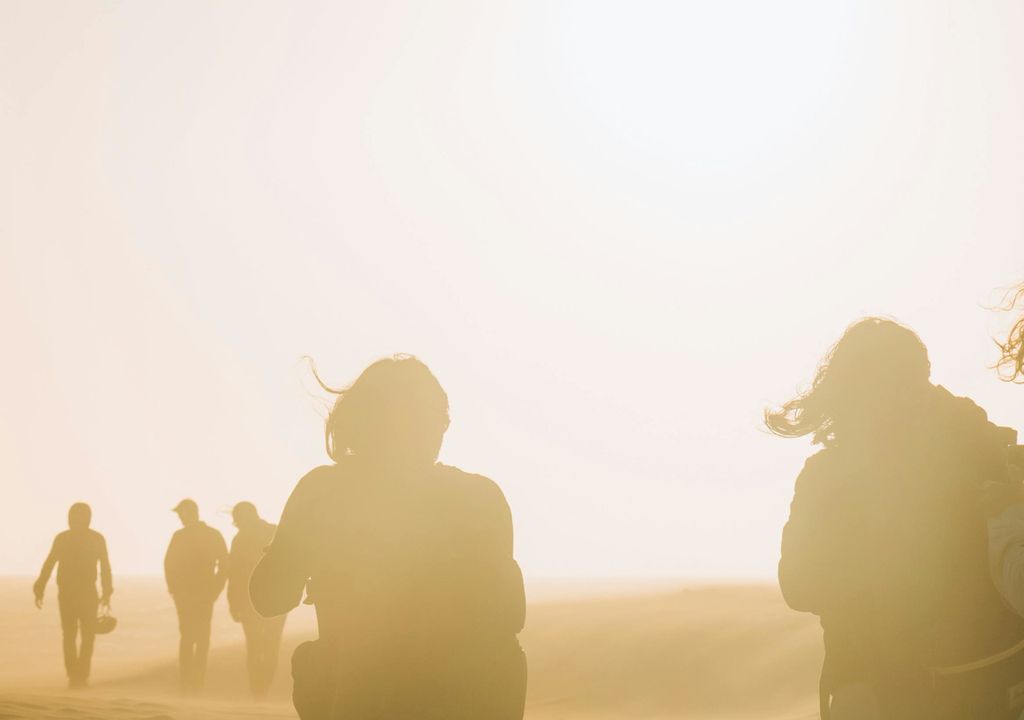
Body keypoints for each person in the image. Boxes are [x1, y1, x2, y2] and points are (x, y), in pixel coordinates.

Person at [768, 317, 1024, 720]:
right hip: (886, 687)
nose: (912, 395)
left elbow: (800, 585)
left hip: (969, 685)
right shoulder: (830, 477)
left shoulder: (973, 451)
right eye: (897, 382)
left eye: (917, 379)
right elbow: (799, 586)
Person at [249, 355, 527, 720]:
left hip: (359, 697)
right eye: (436, 420)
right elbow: (510, 615)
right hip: (459, 699)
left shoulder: (323, 492)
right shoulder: (480, 496)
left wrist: (295, 546)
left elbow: (269, 597)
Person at [33, 502, 113, 689]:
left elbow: (105, 566)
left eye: (79, 517)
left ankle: (79, 676)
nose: (76, 521)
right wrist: (40, 586)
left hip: (84, 594)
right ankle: (76, 676)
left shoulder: (92, 538)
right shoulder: (67, 538)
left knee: (83, 635)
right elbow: (50, 562)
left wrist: (107, 591)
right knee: (73, 635)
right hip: (72, 594)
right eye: (74, 517)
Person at [164, 498, 228, 694]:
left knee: (192, 638)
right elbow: (169, 564)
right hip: (196, 594)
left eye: (182, 514)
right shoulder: (208, 535)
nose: (180, 518)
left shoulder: (185, 536)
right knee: (196, 638)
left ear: (190, 513)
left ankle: (191, 683)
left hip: (196, 594)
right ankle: (192, 683)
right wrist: (213, 591)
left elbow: (225, 564)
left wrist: (176, 589)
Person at [228, 501, 286, 700]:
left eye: (236, 519)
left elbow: (233, 573)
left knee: (258, 646)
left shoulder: (245, 538)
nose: (235, 523)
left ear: (245, 517)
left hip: (257, 600)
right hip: (272, 600)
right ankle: (261, 691)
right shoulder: (274, 531)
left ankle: (259, 691)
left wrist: (233, 603)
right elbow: (234, 573)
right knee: (267, 646)